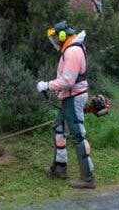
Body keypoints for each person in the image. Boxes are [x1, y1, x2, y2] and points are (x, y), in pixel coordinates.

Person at [36, 21, 95, 189]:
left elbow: (68, 80)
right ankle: (60, 168)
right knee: (59, 129)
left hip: (74, 98)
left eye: (57, 37)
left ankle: (88, 178)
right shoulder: (72, 48)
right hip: (69, 97)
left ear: (63, 36)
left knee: (78, 135)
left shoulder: (73, 51)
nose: (56, 41)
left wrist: (47, 85)